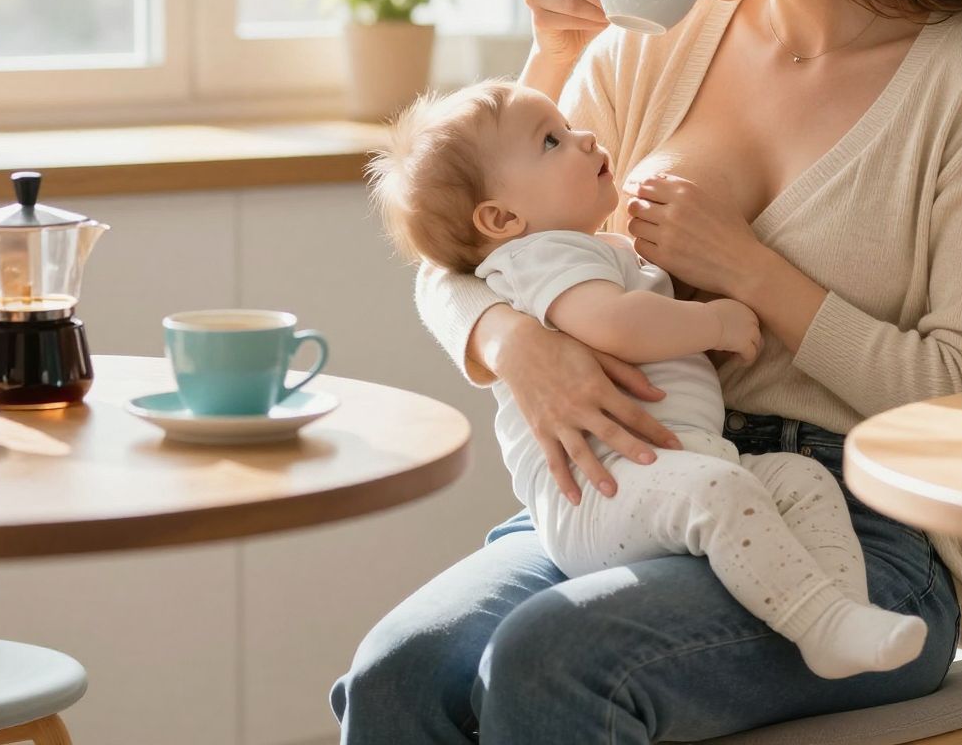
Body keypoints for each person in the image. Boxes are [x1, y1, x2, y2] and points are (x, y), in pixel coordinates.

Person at [333, 0, 962, 743]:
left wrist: (754, 275)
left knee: (553, 663)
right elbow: (471, 248)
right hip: (639, 494)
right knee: (401, 671)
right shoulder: (649, 43)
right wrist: (511, 342)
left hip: (862, 544)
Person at [365, 78, 928, 679]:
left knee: (800, 479)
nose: (583, 137)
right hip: (604, 493)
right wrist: (713, 322)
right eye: (553, 141)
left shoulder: (576, 248)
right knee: (720, 495)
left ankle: (837, 619)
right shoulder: (541, 257)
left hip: (675, 466)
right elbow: (616, 324)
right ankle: (825, 623)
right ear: (502, 218)